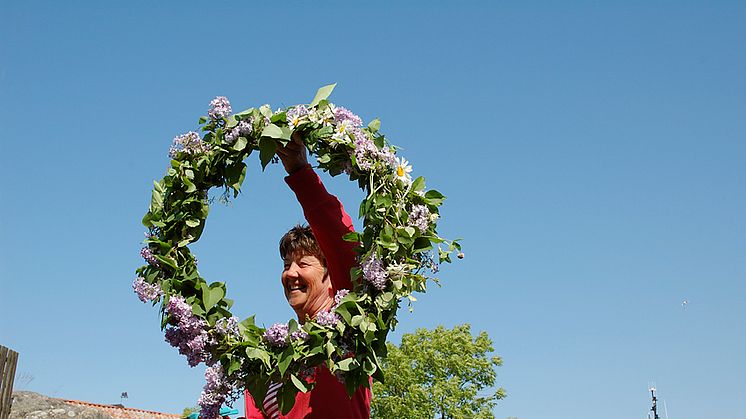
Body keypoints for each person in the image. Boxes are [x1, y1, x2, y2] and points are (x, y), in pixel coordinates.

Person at [243, 135, 372, 419]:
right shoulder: (272, 356)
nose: (291, 273)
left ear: (330, 273)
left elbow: (341, 244)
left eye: (303, 263)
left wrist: (301, 173)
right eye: (287, 264)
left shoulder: (349, 324)